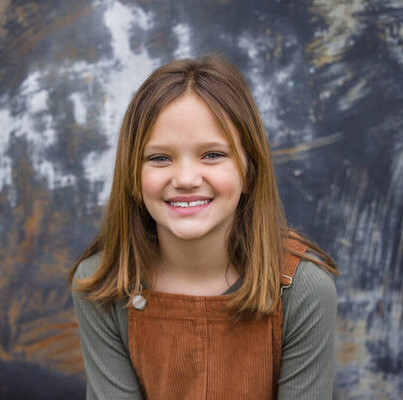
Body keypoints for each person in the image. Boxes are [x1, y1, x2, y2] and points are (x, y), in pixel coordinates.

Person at [69, 55, 338, 400]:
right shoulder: (103, 285)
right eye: (159, 158)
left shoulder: (303, 289)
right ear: (132, 175)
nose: (185, 179)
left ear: (249, 169)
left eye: (212, 154)